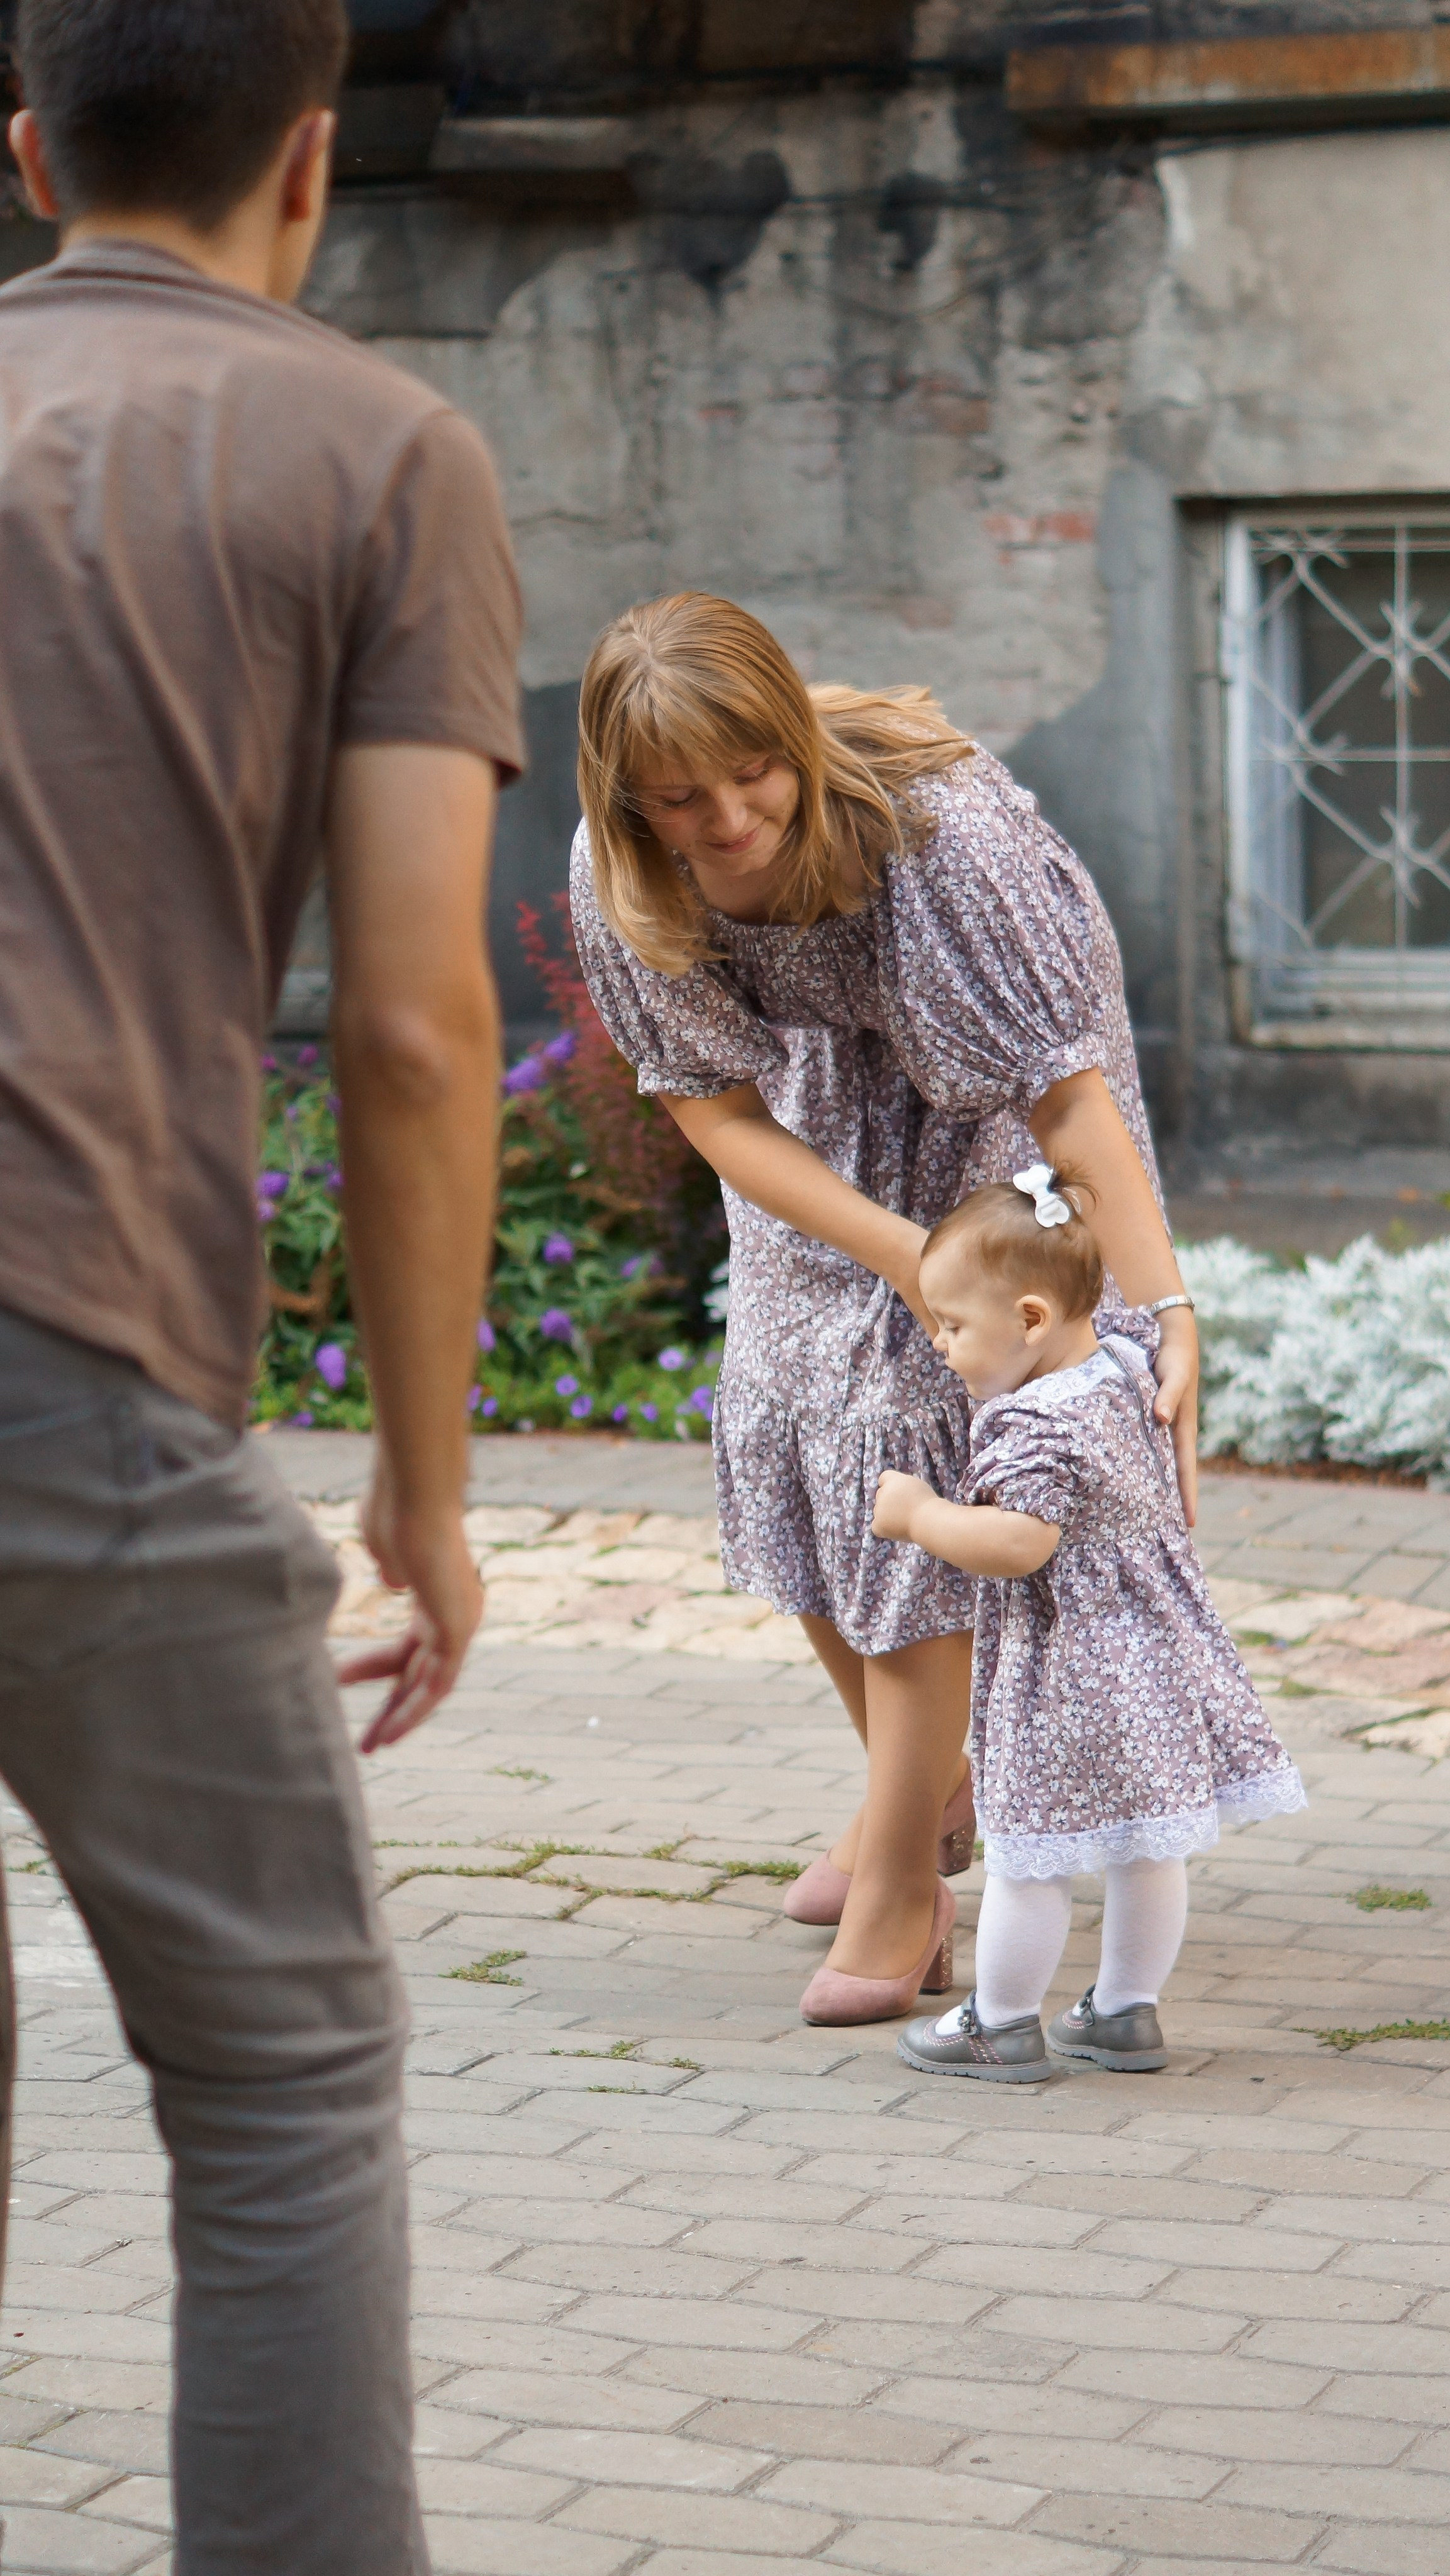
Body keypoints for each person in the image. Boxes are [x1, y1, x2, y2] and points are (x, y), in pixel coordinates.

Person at [0, 4, 523, 2567]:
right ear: (312, 164)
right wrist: (425, 1494)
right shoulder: (377, 451)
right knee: (284, 2089)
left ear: (25, 155)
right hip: (71, 1359)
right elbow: (420, 1025)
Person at [571, 591, 1202, 2026]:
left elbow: (1067, 1095)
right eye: (680, 797)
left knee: (916, 1424)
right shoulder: (621, 878)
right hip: (808, 1133)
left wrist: (1163, 1303)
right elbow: (720, 1117)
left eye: (755, 775)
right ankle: (924, 1789)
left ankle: (907, 1884)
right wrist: (891, 1253)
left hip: (991, 1093)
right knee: (800, 1411)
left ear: (792, 736)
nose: (728, 819)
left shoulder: (943, 843)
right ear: (625, 799)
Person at [874, 1166, 1305, 2079]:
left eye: (952, 1327)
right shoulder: (1119, 1363)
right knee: (1149, 1842)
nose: (942, 1347)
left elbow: (1019, 1543)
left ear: (1030, 1320)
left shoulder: (1033, 1424)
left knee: (1030, 1856)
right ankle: (1121, 2011)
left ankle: (999, 2022)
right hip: (1156, 1658)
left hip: (1068, 1672)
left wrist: (917, 1514)